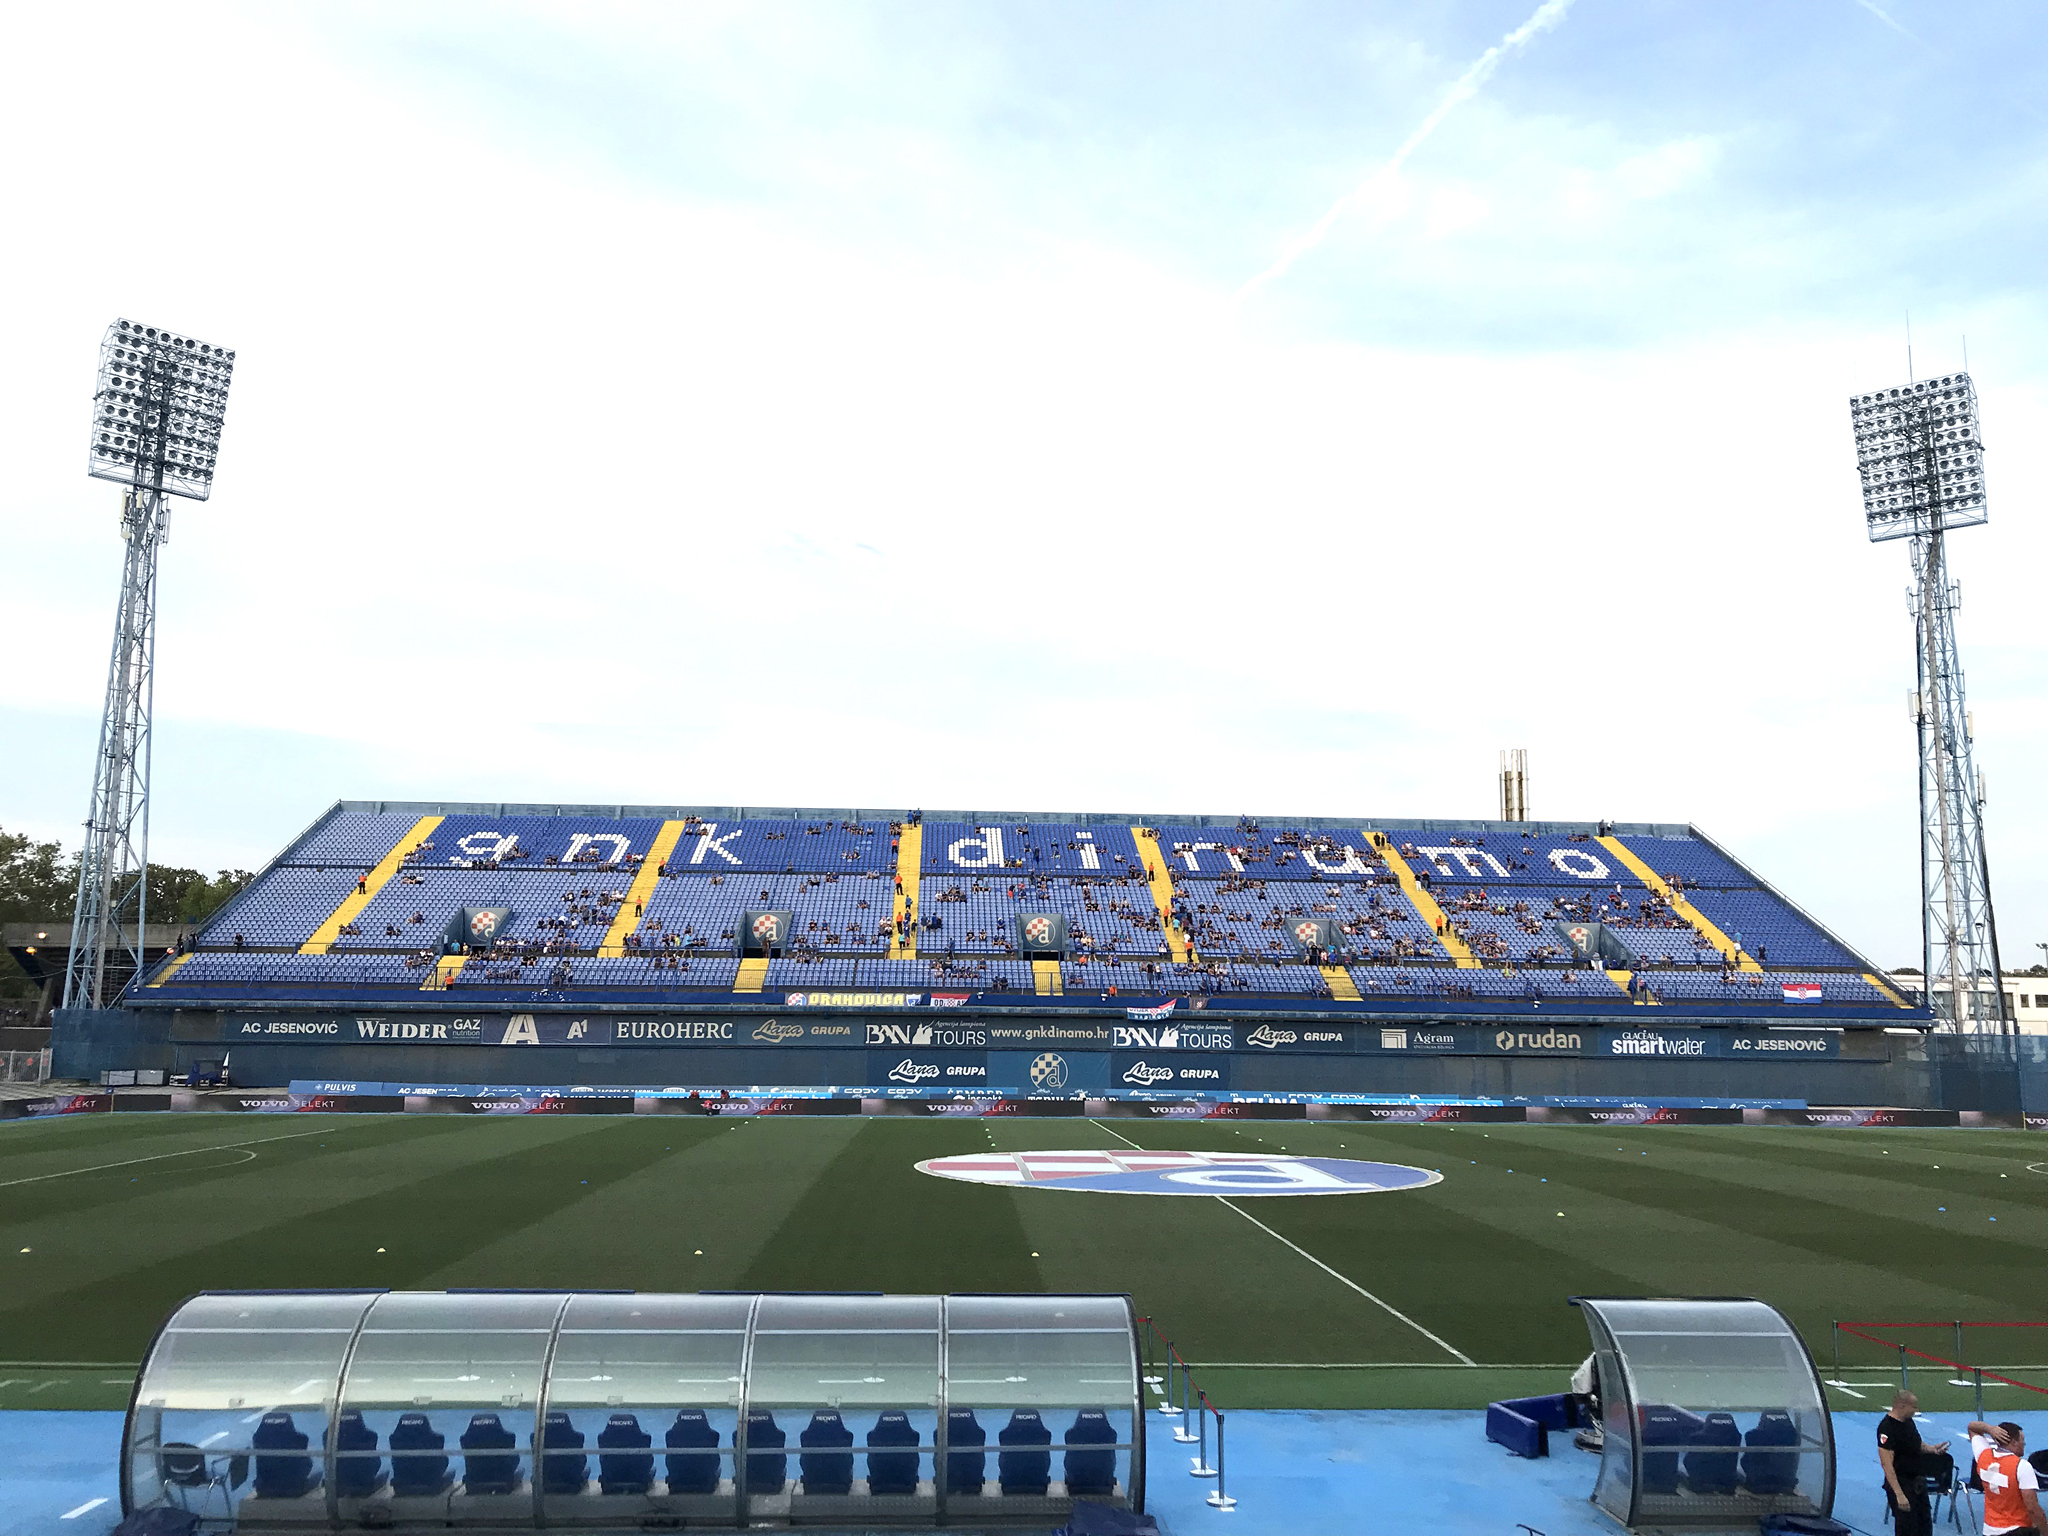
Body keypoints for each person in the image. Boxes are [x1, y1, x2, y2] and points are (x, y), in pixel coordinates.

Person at [1878, 1390, 1945, 1536]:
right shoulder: (1887, 1428)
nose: (1916, 1410)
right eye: (1913, 1407)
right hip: (1902, 1483)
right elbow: (1887, 1464)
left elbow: (1916, 1444)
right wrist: (1899, 1494)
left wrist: (1932, 1449)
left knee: (1924, 1526)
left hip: (1918, 1483)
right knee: (1908, 1529)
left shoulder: (1908, 1422)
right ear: (1902, 1406)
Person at [1966, 1420, 2043, 1536]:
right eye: (2022, 1439)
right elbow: (2032, 1507)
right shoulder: (2021, 1466)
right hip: (2018, 1530)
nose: (2024, 1443)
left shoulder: (1983, 1457)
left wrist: (1989, 1429)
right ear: (2013, 1442)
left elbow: (1972, 1428)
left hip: (1989, 1529)